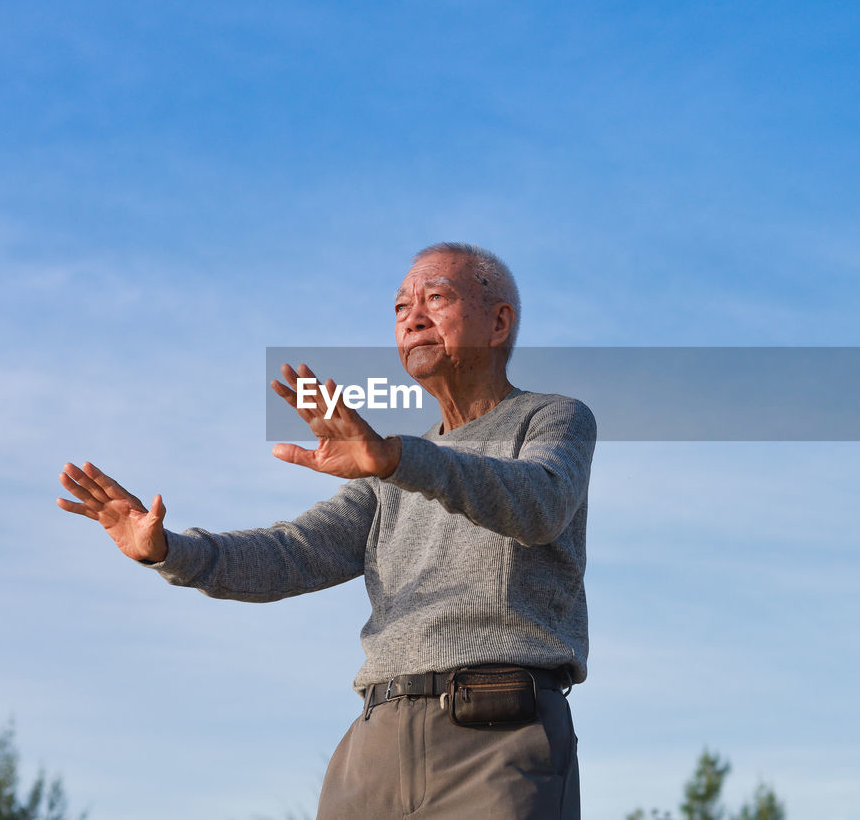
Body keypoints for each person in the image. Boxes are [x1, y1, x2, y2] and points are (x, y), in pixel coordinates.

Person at [56, 242, 596, 819]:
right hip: (375, 744)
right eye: (399, 307)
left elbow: (540, 502)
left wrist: (395, 458)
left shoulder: (552, 418)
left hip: (497, 734)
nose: (412, 317)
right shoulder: (389, 466)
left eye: (435, 298)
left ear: (498, 322)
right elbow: (296, 551)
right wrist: (168, 551)